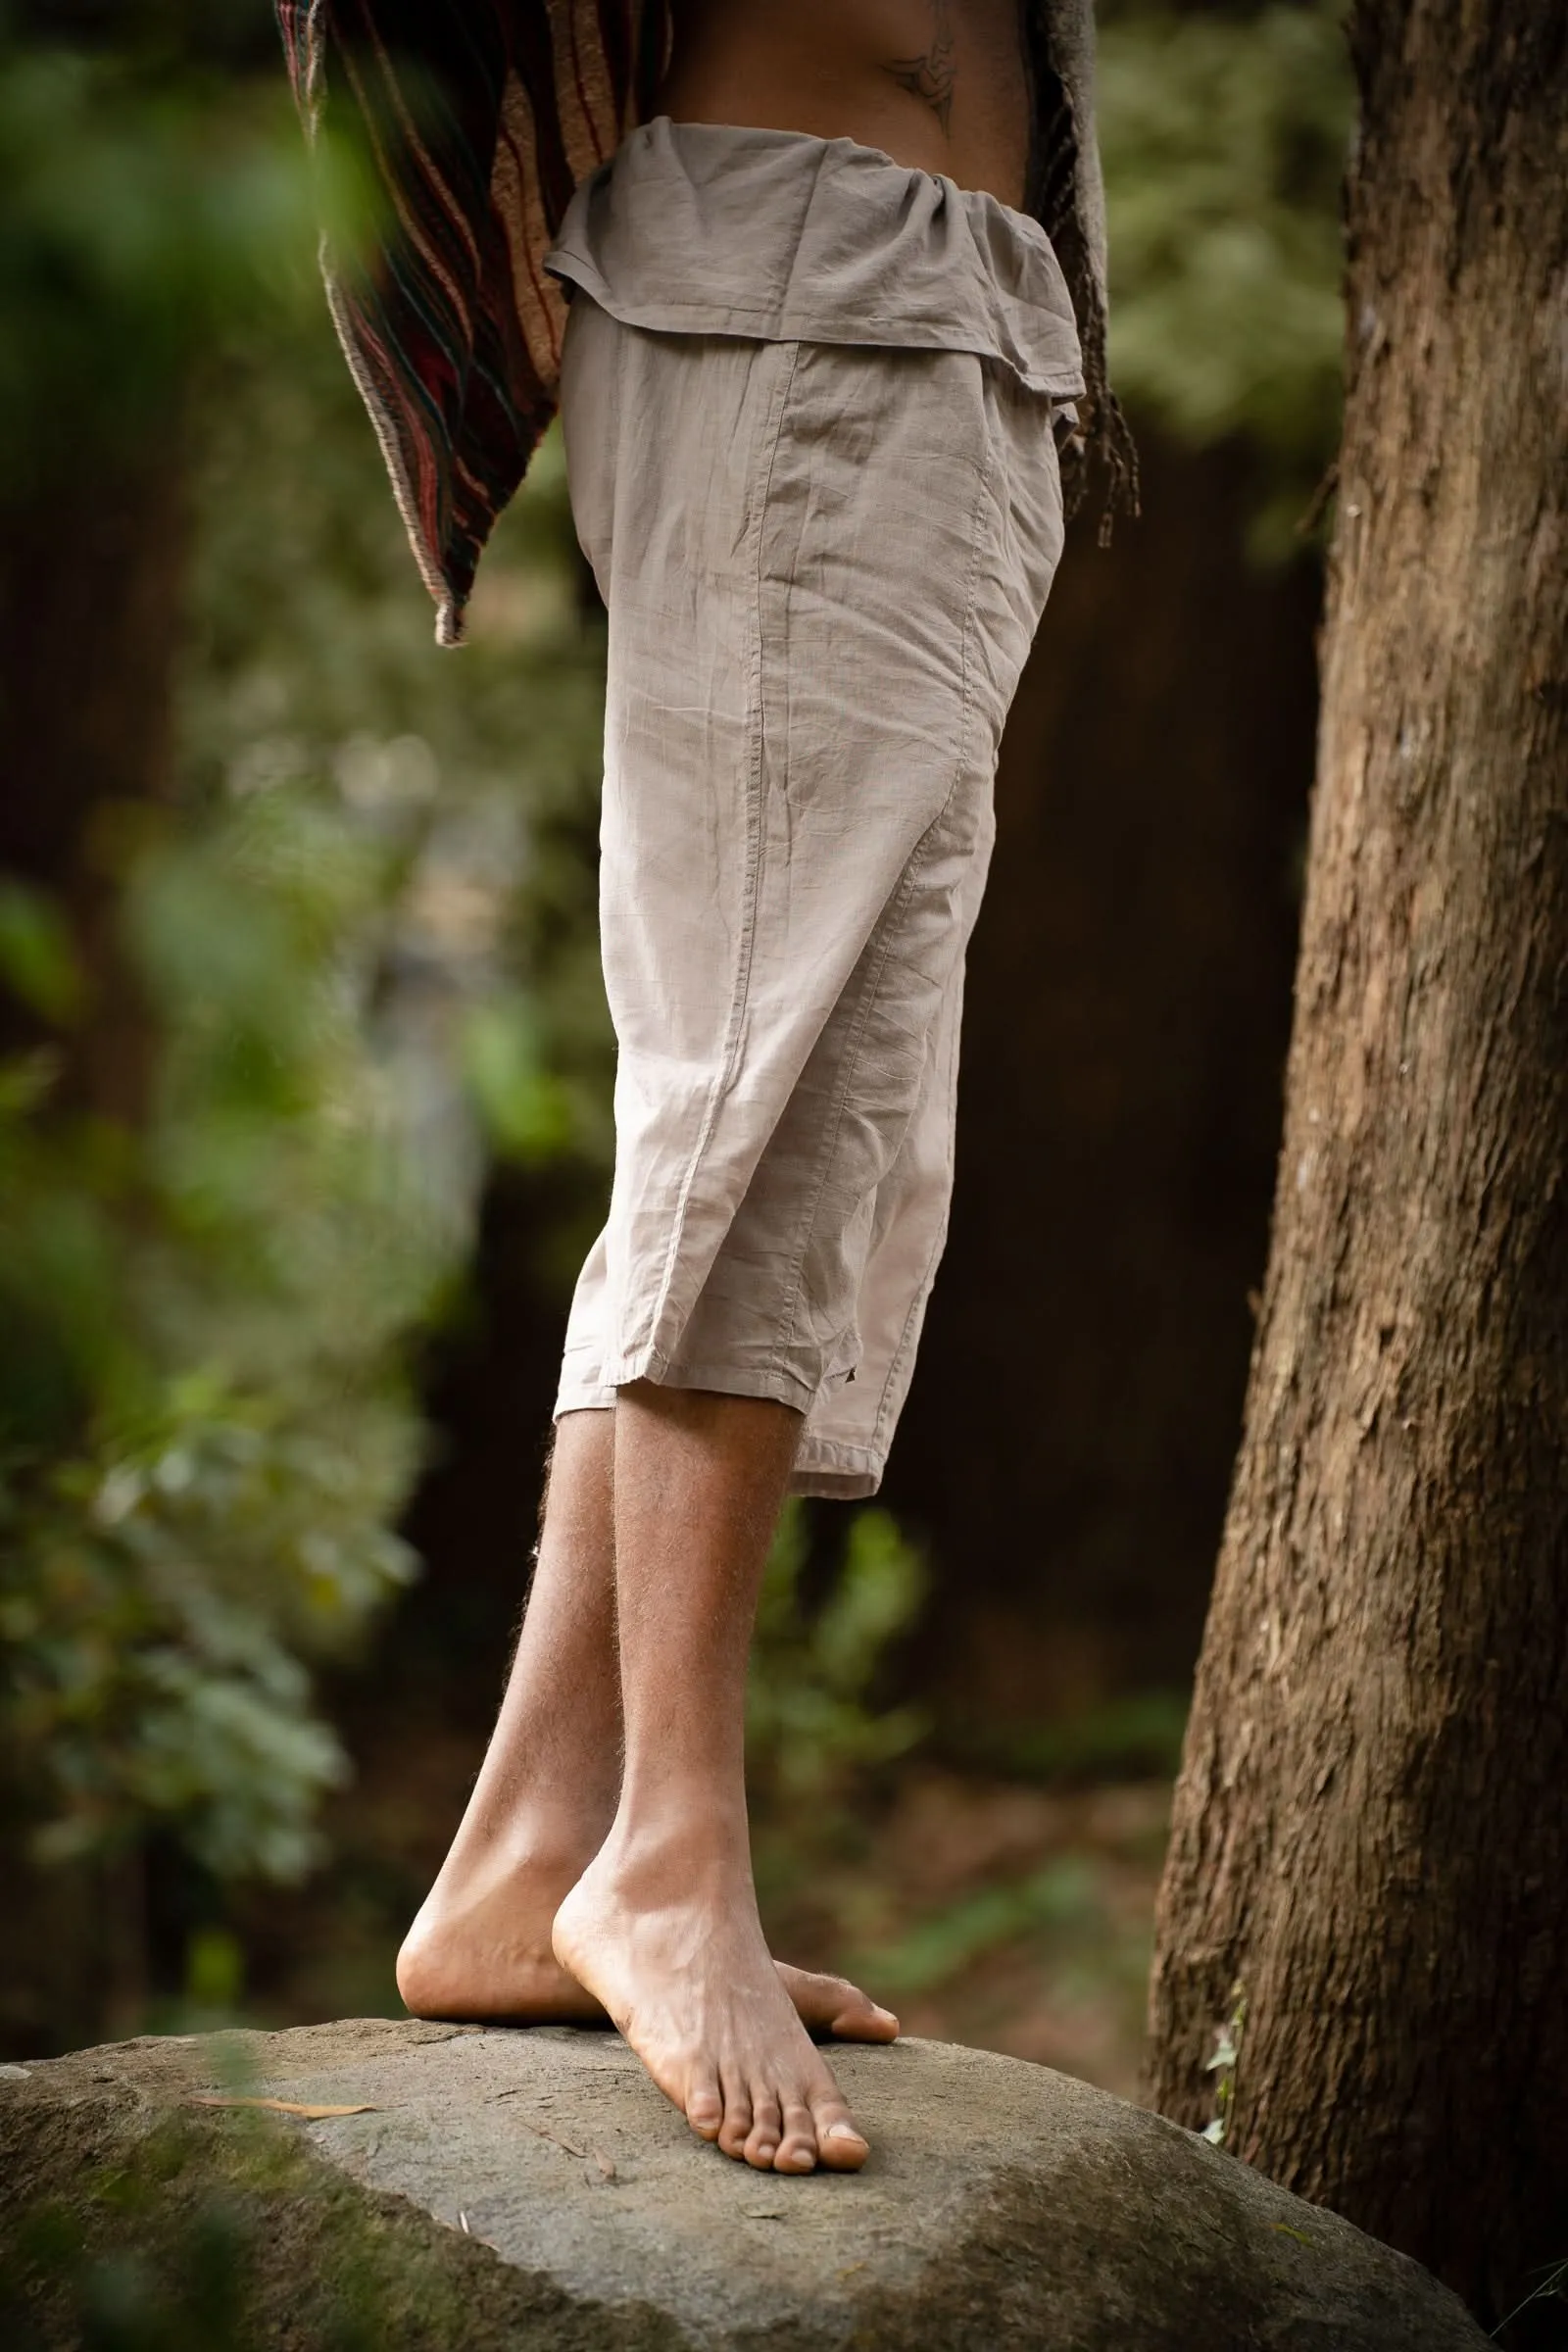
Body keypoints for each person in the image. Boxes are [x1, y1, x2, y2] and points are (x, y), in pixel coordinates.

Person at [279, 0, 1133, 2177]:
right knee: (758, 1090)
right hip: (804, 295)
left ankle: (525, 1850)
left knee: (802, 1086)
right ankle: (668, 1850)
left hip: (954, 324)